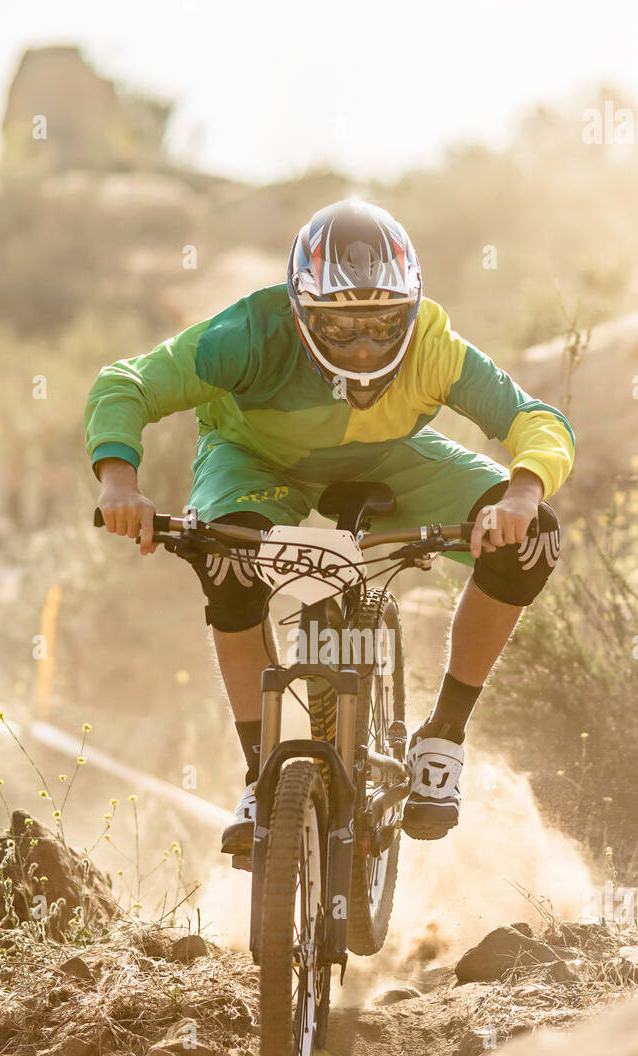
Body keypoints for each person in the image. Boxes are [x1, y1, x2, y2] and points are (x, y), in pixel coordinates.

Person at [86, 198, 574, 851]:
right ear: (299, 312)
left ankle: (443, 737)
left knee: (534, 538)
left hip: (389, 457)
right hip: (254, 459)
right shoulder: (249, 335)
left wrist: (520, 493)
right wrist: (121, 483)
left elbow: (535, 420)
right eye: (340, 327)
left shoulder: (432, 343)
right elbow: (126, 384)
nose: (366, 345)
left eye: (382, 324)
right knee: (227, 565)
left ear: (411, 309)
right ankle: (263, 774)